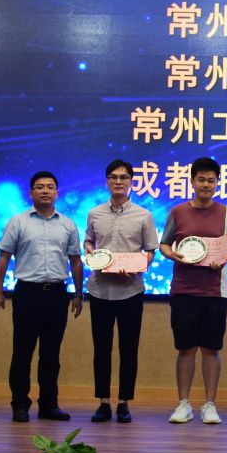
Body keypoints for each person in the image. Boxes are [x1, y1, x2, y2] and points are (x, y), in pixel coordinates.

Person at [0, 171, 83, 423]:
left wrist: (78, 294)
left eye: (50, 187)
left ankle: (49, 406)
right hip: (27, 294)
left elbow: (75, 261)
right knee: (22, 352)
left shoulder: (68, 224)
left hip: (57, 295)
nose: (45, 191)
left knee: (51, 355)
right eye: (39, 187)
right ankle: (20, 405)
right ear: (31, 192)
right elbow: (4, 257)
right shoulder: (18, 222)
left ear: (57, 193)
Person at [160, 157, 227, 424]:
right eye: (201, 180)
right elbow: (164, 244)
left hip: (215, 292)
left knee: (210, 349)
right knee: (185, 349)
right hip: (183, 290)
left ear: (217, 183)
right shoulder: (177, 212)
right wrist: (173, 255)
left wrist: (225, 258)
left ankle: (210, 405)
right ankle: (183, 404)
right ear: (192, 182)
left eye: (211, 180)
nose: (206, 184)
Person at [84, 159, 159, 424]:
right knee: (101, 349)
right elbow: (89, 242)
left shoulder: (143, 215)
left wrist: (138, 267)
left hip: (131, 290)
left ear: (131, 182)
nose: (119, 181)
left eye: (124, 177)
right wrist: (91, 253)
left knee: (129, 349)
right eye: (114, 177)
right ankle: (103, 402)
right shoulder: (94, 213)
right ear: (107, 181)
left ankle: (124, 403)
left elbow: (151, 250)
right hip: (100, 290)